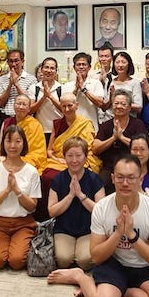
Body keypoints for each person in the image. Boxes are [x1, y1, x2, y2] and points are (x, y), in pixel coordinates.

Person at [48, 154, 149, 297]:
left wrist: (131, 235)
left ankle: (125, 291)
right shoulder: (101, 207)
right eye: (120, 177)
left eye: (131, 178)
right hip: (113, 264)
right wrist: (118, 233)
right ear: (112, 178)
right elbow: (97, 257)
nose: (125, 183)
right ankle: (81, 277)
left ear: (140, 179)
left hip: (144, 267)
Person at [0, 125, 41, 270]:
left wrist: (17, 191)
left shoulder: (31, 171)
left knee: (16, 261)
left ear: (23, 144)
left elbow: (32, 206)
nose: (13, 145)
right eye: (8, 141)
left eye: (17, 141)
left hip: (23, 223)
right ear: (3, 144)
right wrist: (7, 190)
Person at [37, 92, 102, 222]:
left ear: (76, 105)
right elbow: (49, 151)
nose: (67, 109)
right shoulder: (57, 124)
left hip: (79, 159)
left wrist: (72, 160)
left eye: (70, 105)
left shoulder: (85, 124)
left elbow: (88, 149)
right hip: (58, 161)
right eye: (63, 106)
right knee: (46, 177)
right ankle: (46, 218)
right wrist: (58, 159)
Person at [48, 137, 105, 271]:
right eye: (70, 156)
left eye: (78, 155)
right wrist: (70, 195)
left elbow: (101, 211)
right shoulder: (57, 179)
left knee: (85, 261)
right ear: (64, 157)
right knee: (63, 259)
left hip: (89, 230)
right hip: (64, 229)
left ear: (85, 157)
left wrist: (80, 195)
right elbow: (52, 211)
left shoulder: (95, 179)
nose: (74, 160)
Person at [93, 89, 147, 195]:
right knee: (98, 184)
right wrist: (113, 138)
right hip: (109, 168)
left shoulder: (137, 124)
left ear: (130, 106)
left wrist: (122, 138)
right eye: (116, 103)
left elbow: (143, 146)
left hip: (132, 166)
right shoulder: (106, 125)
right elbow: (95, 148)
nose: (119, 106)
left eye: (123, 104)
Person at [0, 93, 47, 175]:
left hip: (27, 163)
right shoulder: (6, 122)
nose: (21, 107)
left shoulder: (35, 125)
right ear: (13, 106)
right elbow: (1, 148)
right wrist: (2, 160)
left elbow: (38, 152)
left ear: (29, 109)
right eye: (18, 104)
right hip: (7, 161)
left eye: (24, 104)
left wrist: (19, 162)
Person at [62, 52, 104, 133]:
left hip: (91, 126)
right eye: (78, 64)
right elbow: (64, 106)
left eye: (84, 64)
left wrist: (83, 89)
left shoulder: (96, 83)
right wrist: (76, 89)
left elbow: (100, 103)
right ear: (74, 67)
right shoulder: (67, 85)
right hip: (71, 127)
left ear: (89, 67)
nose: (81, 67)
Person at [0, 49, 37, 123]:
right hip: (6, 118)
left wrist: (16, 83)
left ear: (22, 62)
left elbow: (29, 103)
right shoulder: (1, 79)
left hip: (24, 119)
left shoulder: (32, 79)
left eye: (16, 61)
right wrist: (10, 85)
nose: (13, 64)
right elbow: (0, 103)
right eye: (11, 61)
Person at [28, 57, 63, 143]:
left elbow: (64, 109)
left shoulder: (61, 88)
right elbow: (30, 110)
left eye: (52, 68)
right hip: (39, 130)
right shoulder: (34, 88)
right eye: (46, 67)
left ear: (56, 71)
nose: (49, 70)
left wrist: (50, 96)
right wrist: (44, 97)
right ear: (42, 69)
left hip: (59, 130)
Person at [102, 51, 143, 122]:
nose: (120, 65)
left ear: (129, 64)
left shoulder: (134, 82)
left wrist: (121, 102)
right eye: (117, 62)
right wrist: (111, 97)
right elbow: (104, 107)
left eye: (123, 62)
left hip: (128, 122)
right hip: (110, 120)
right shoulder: (110, 81)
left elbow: (139, 108)